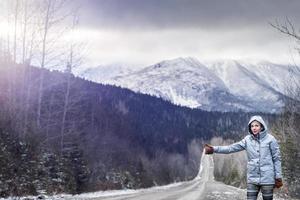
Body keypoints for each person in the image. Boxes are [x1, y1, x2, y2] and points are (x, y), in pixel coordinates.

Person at [204, 115, 283, 200]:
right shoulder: (247, 140)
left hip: (267, 178)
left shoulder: (271, 139)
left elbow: (276, 159)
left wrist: (278, 177)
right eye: (252, 126)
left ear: (261, 126)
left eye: (257, 125)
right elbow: (231, 148)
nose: (254, 128)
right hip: (252, 178)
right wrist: (214, 149)